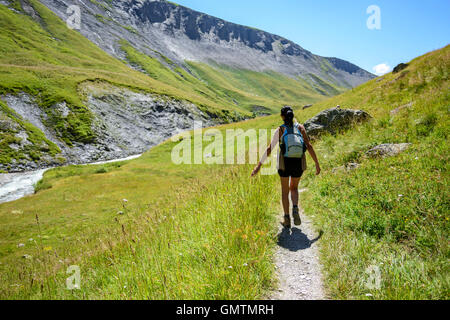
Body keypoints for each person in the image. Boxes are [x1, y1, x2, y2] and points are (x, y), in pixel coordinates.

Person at [251, 106, 321, 228]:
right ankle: (295, 208)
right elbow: (309, 146)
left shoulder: (280, 130)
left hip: (284, 164)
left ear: (282, 116)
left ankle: (287, 219)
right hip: (298, 163)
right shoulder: (300, 127)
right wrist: (316, 163)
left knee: (285, 191)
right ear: (292, 116)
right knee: (294, 188)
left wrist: (259, 166)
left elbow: (269, 149)